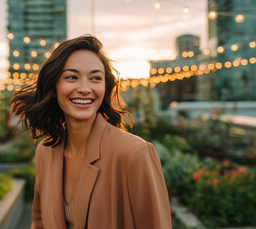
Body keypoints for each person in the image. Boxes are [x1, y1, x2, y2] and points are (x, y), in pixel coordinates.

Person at [10, 35, 171, 229]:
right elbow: (39, 222)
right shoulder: (45, 151)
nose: (85, 89)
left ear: (105, 88)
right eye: (72, 77)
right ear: (53, 86)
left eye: (95, 78)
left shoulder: (135, 153)